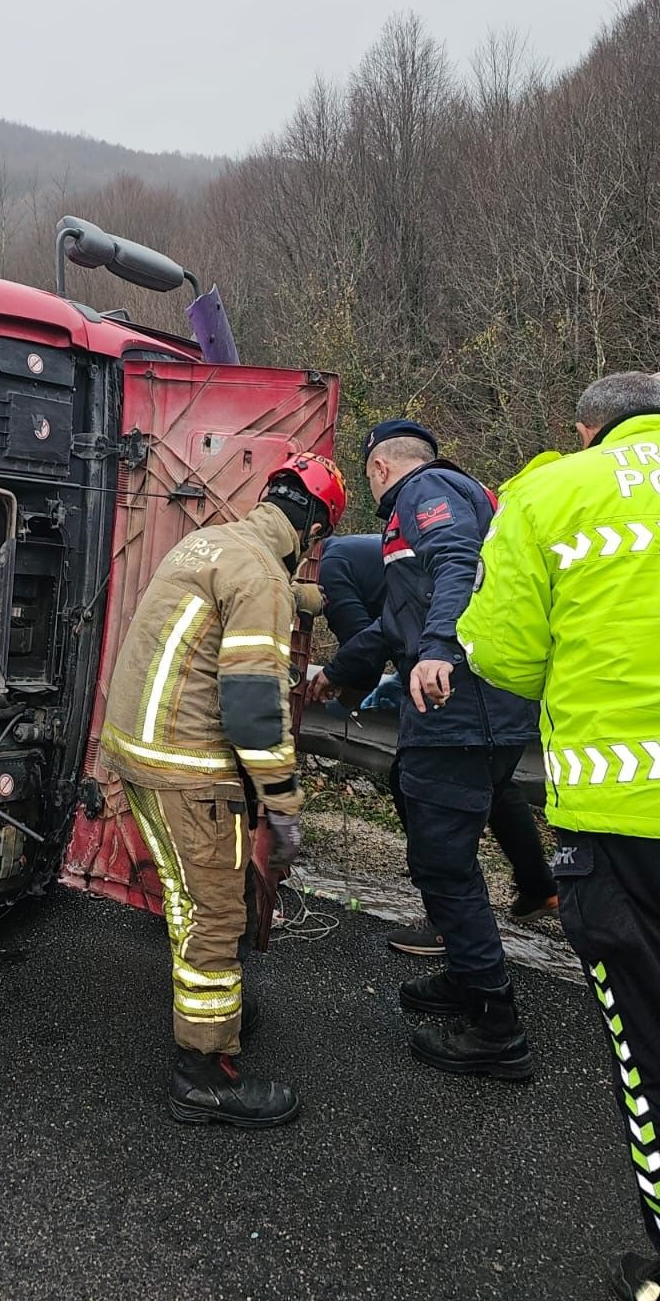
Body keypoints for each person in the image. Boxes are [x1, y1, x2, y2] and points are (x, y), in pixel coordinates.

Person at [456, 371, 660, 1300]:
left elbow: (502, 655)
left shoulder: (552, 494)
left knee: (647, 1057)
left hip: (622, 833)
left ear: (586, 430)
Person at [100, 452, 348, 1128]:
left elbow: (247, 597)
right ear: (314, 533)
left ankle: (221, 1009)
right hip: (190, 769)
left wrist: (307, 600)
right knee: (211, 915)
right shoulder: (262, 576)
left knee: (206, 896)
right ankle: (204, 1075)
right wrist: (284, 802)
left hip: (140, 753)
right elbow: (252, 712)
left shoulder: (213, 543)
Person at [306, 420, 539, 1080]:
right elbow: (388, 625)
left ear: (380, 467)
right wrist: (339, 673)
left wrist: (438, 648)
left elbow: (458, 559)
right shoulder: (443, 503)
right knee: (443, 853)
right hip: (480, 714)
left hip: (461, 711)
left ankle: (496, 1024)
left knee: (442, 864)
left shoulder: (426, 489)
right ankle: (469, 978)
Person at [317, 532, 557, 955]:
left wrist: (336, 679)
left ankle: (449, 924)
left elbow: (365, 641)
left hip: (454, 688)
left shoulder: (333, 564)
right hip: (505, 681)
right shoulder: (388, 547)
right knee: (495, 785)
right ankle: (539, 886)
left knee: (417, 785)